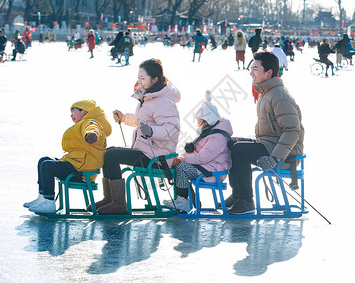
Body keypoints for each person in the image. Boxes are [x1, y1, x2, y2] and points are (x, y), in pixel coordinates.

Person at [93, 58, 181, 214]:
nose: (139, 82)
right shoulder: (149, 98)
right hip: (146, 151)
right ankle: (110, 198)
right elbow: (143, 121)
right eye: (138, 78)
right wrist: (124, 118)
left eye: (143, 78)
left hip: (157, 157)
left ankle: (119, 204)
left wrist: (152, 131)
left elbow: (172, 130)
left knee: (112, 155)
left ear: (154, 79)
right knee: (108, 152)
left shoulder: (164, 102)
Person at [226, 51, 304, 214]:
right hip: (269, 144)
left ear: (269, 72)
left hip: (286, 154)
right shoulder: (267, 92)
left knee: (240, 150)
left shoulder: (279, 96)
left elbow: (293, 130)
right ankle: (238, 194)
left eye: (255, 69)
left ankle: (246, 200)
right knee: (230, 142)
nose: (251, 73)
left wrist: (275, 158)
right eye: (251, 68)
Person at [23, 100, 112, 214]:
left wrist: (92, 135)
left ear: (84, 111)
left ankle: (49, 202)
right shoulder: (84, 122)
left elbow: (93, 128)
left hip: (82, 171)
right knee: (44, 160)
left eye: (73, 112)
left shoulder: (90, 122)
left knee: (47, 166)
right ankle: (43, 196)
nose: (71, 116)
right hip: (77, 165)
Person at [163, 91, 233, 212]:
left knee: (182, 168)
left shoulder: (218, 138)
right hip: (207, 167)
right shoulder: (208, 132)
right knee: (180, 166)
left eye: (200, 122)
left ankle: (183, 201)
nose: (198, 125)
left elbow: (202, 157)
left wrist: (182, 159)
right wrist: (181, 156)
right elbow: (197, 153)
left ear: (208, 121)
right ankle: (187, 198)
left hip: (214, 171)